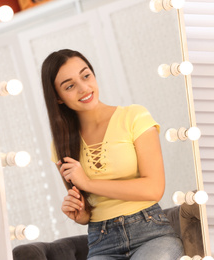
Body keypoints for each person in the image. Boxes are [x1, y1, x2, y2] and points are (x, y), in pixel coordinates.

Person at [41, 49, 184, 260]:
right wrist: (80, 214)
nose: (84, 88)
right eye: (70, 86)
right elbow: (88, 208)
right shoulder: (60, 145)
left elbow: (153, 189)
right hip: (102, 242)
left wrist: (88, 183)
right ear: (58, 98)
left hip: (151, 233)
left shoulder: (134, 117)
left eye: (86, 75)